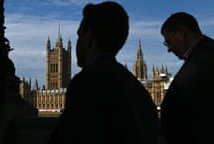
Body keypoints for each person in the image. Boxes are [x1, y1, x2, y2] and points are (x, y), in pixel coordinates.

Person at [47, 1, 158, 144]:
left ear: (89, 36)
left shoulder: (86, 83)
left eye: (79, 34)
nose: (77, 42)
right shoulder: (139, 90)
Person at [160, 12, 214, 144]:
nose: (169, 49)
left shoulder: (207, 57)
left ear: (181, 33)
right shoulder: (200, 55)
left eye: (168, 42)